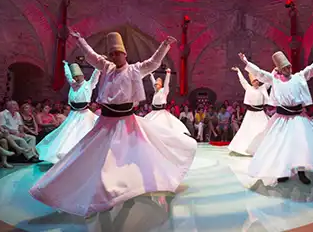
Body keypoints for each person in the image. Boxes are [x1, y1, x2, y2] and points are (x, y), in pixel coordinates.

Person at [30, 29, 197, 217]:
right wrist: (81, 40)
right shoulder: (106, 67)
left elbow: (153, 63)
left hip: (127, 122)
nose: (114, 56)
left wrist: (165, 45)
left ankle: (125, 190)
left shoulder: (135, 69)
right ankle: (99, 194)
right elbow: (91, 56)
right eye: (111, 53)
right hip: (106, 123)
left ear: (125, 54)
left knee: (131, 158)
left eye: (118, 53)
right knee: (97, 159)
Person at [238, 48, 313, 185]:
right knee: (281, 146)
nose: (288, 69)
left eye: (289, 66)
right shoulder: (274, 80)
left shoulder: (299, 77)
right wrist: (246, 62)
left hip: (297, 118)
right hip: (281, 119)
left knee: (300, 145)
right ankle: (282, 172)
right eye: (285, 67)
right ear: (279, 68)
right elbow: (259, 73)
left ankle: (301, 172)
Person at [35, 61, 100, 164]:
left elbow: (96, 75)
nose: (76, 79)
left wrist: (98, 64)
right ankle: (66, 156)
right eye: (75, 77)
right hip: (74, 114)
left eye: (78, 77)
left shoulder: (89, 84)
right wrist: (66, 66)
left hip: (84, 114)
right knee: (67, 134)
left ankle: (83, 156)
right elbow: (68, 76)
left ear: (82, 76)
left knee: (82, 133)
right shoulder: (73, 85)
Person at [228, 67, 270, 156]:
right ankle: (247, 148)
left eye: (257, 81)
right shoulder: (248, 88)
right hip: (251, 114)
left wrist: (274, 71)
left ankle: (263, 148)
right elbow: (242, 80)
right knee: (248, 130)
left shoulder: (262, 88)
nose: (257, 82)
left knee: (263, 129)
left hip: (260, 113)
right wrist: (239, 71)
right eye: (255, 81)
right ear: (252, 82)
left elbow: (269, 81)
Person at [144, 68, 191, 136]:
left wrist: (168, 74)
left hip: (161, 112)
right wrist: (151, 75)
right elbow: (153, 82)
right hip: (154, 112)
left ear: (160, 85)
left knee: (164, 126)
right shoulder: (156, 91)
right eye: (155, 84)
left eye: (157, 84)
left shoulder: (164, 91)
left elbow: (166, 83)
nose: (155, 85)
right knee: (149, 124)